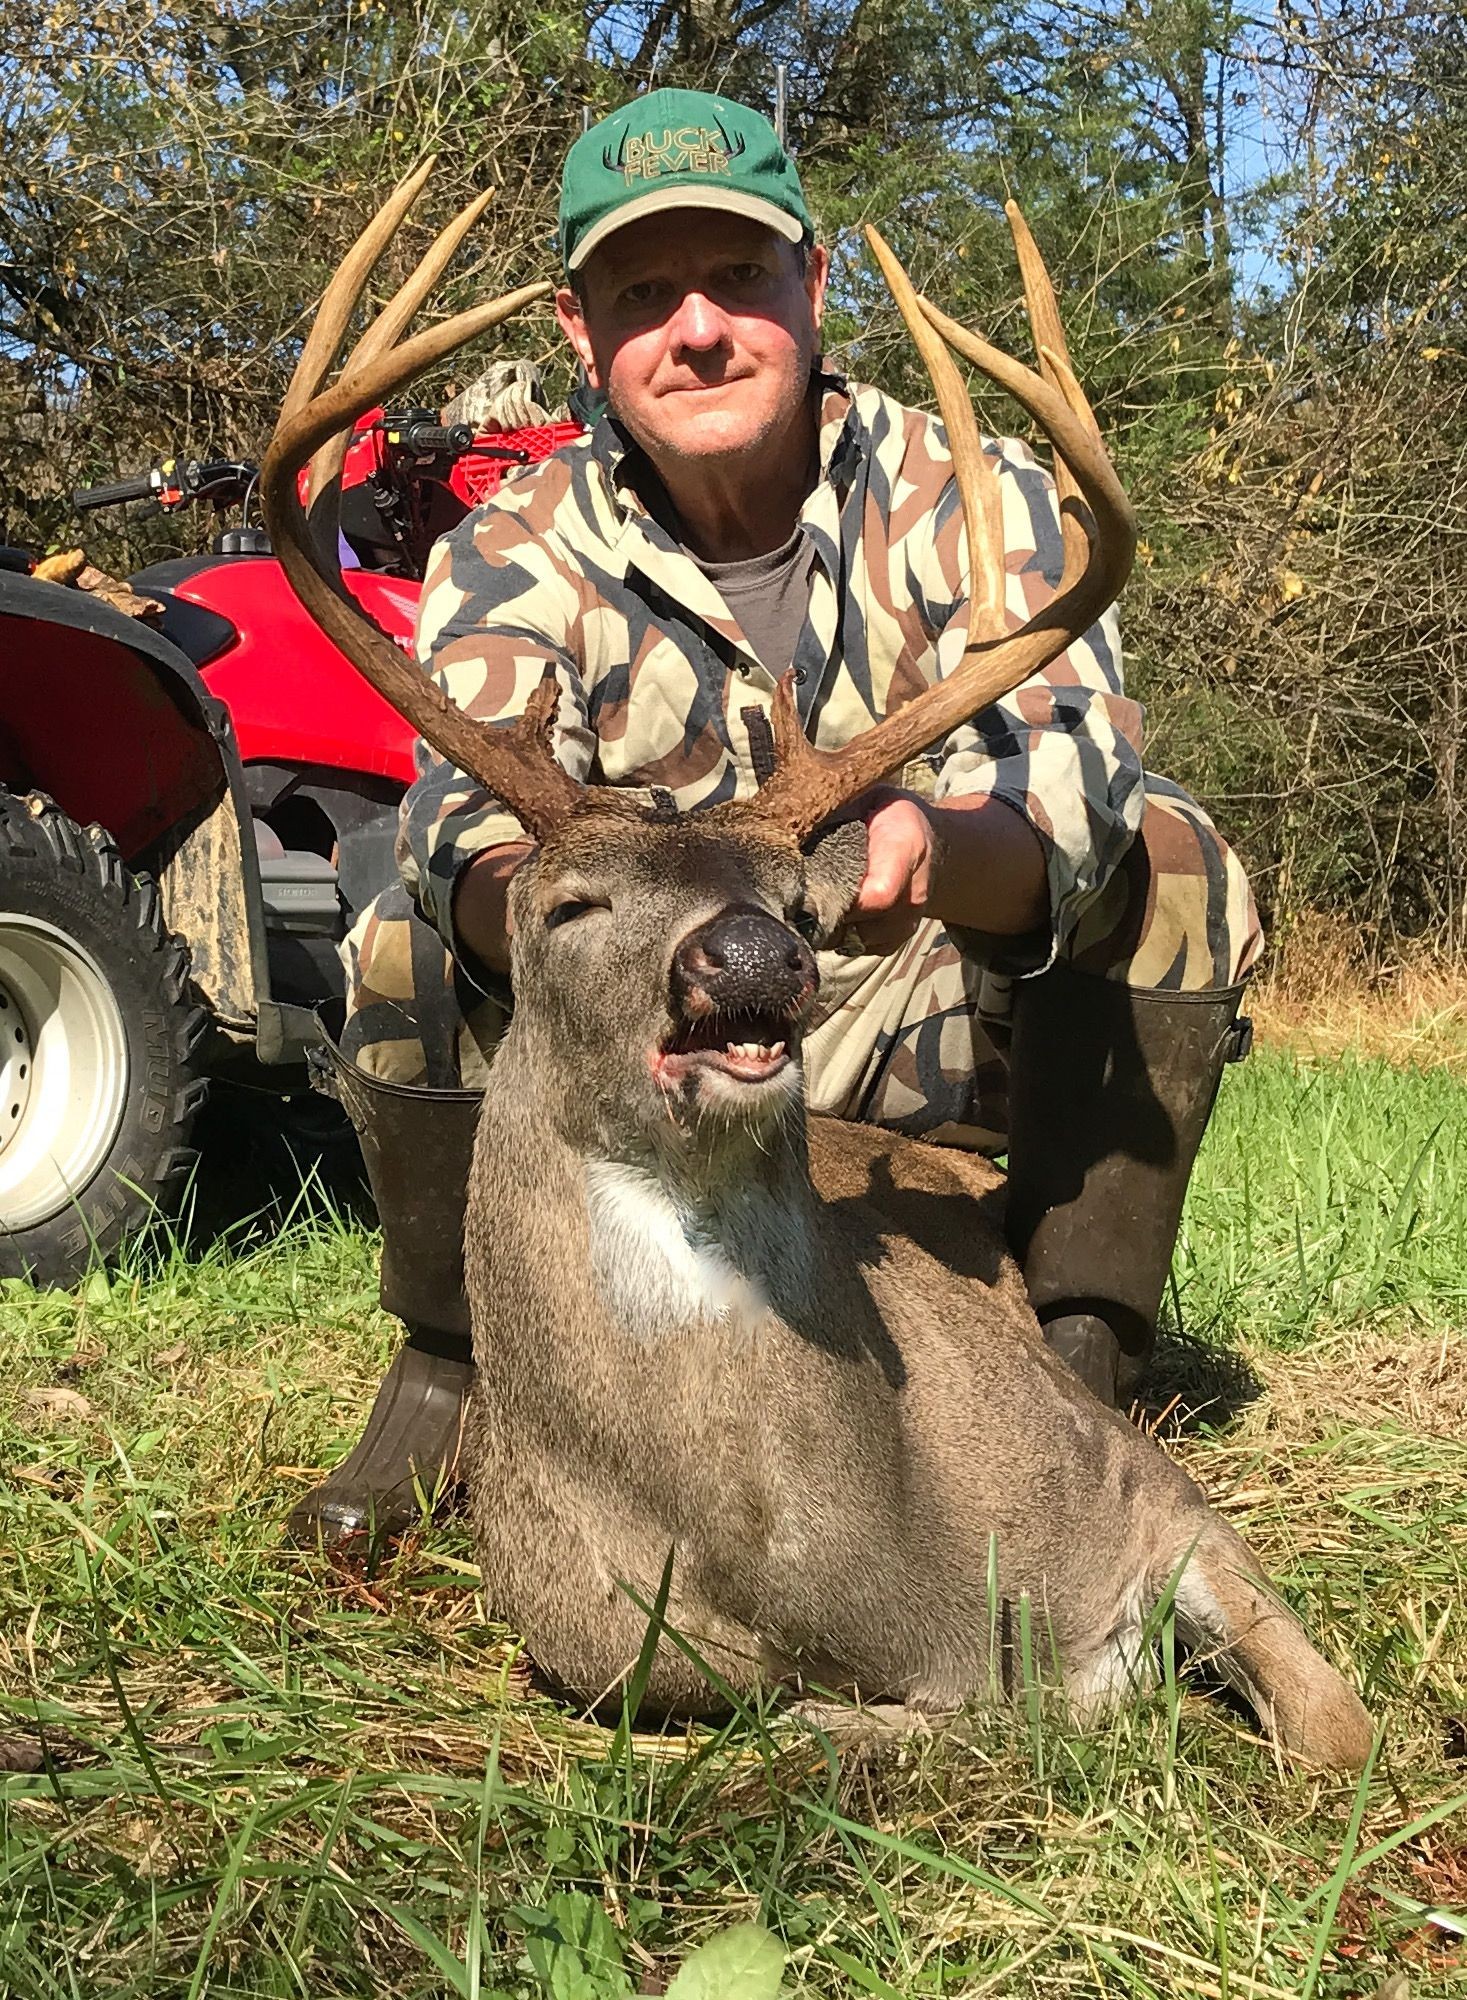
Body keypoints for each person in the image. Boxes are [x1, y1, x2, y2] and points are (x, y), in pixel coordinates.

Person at [292, 87, 1262, 1546]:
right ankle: (449, 1359)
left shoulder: (976, 501)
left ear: (813, 286)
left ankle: (1081, 1356)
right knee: (406, 927)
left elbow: (1074, 781)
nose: (695, 328)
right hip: (642, 1044)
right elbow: (456, 819)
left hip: (908, 1002)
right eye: (642, 291)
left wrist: (936, 858)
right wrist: (555, 916)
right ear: (580, 331)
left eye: (737, 276)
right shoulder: (515, 546)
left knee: (1173, 861)